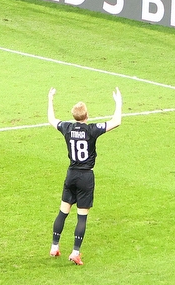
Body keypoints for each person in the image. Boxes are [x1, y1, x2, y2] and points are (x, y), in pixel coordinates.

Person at [47, 87, 122, 266]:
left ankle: (54, 246)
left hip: (71, 174)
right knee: (82, 216)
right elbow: (116, 121)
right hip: (86, 176)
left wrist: (50, 98)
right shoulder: (91, 130)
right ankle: (75, 252)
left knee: (63, 211)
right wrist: (119, 102)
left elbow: (51, 120)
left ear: (74, 116)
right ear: (87, 115)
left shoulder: (67, 127)